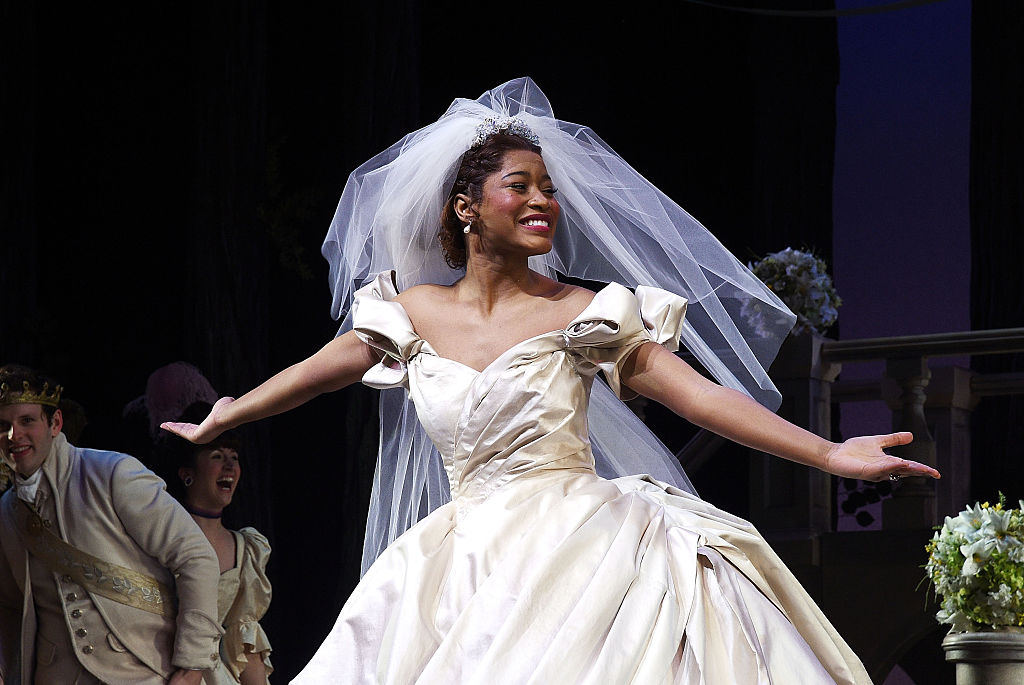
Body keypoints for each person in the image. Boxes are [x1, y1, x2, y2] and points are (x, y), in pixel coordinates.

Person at [164, 78, 940, 684]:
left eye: (549, 188)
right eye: (520, 185)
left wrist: (829, 454)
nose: (543, 200)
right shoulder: (408, 312)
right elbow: (315, 375)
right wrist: (229, 413)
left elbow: (699, 394)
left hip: (586, 544)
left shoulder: (585, 311)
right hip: (462, 557)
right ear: (466, 207)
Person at [0, 364, 223, 685]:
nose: (14, 436)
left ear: (55, 423)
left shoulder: (112, 474)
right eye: (3, 425)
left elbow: (196, 558)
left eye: (27, 421)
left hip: (146, 670)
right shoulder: (6, 513)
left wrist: (190, 668)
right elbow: (8, 607)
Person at [159, 402, 274, 685]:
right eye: (217, 456)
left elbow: (244, 638)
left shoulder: (246, 549)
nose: (230, 466)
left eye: (234, 457)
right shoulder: (160, 536)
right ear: (187, 473)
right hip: (156, 666)